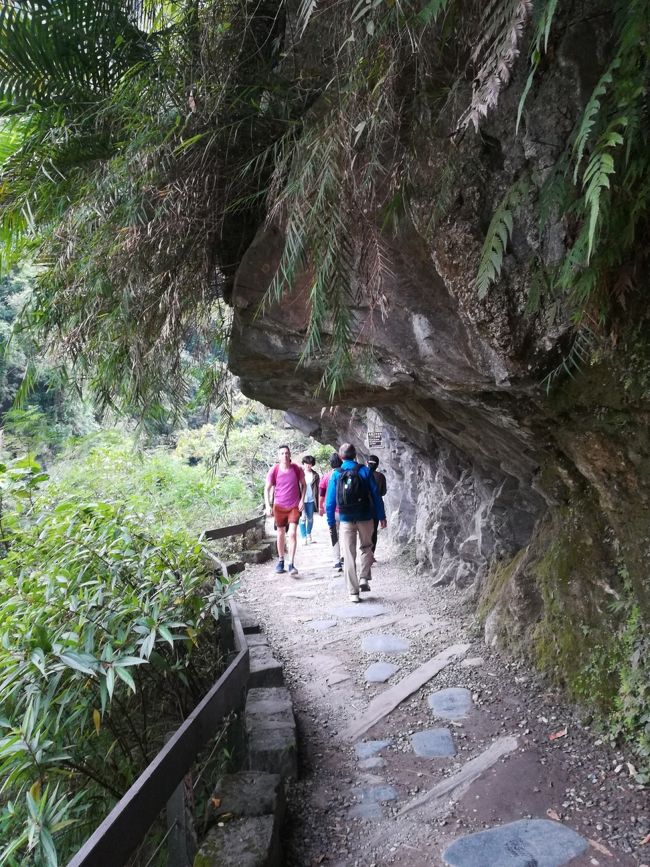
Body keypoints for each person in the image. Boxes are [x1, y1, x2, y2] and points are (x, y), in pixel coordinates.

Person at [325, 443, 386, 602]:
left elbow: (330, 502)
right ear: (355, 455)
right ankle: (364, 577)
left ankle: (353, 593)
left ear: (340, 456)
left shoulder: (336, 474)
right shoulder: (365, 471)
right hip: (365, 517)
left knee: (349, 555)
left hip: (345, 519)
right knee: (367, 547)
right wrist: (381, 516)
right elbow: (376, 496)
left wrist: (331, 521)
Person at [265, 445, 305, 576]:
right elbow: (267, 489)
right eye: (282, 453)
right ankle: (281, 560)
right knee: (281, 533)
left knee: (292, 533)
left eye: (286, 453)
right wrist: (267, 505)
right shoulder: (274, 470)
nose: (284, 456)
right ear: (278, 456)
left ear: (290, 454)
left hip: (294, 506)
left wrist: (302, 500)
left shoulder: (297, 468)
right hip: (279, 506)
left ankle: (291, 563)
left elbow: (304, 485)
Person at [319, 453, 343, 571]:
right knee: (347, 534)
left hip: (333, 511)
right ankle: (347, 557)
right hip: (346, 510)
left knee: (334, 534)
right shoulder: (346, 473)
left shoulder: (326, 476)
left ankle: (337, 561)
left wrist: (320, 508)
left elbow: (322, 495)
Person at [367, 454, 387, 555]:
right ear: (377, 465)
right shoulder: (381, 476)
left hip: (363, 507)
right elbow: (383, 492)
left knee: (365, 532)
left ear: (367, 463)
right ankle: (372, 554)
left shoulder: (361, 474)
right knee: (374, 531)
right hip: (376, 507)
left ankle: (365, 554)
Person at [299, 455, 319, 545]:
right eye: (306, 463)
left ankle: (308, 535)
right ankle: (303, 538)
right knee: (302, 518)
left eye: (309, 464)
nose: (308, 465)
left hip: (311, 499)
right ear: (303, 464)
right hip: (301, 500)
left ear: (312, 464)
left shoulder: (315, 475)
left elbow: (318, 488)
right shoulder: (299, 474)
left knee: (310, 519)